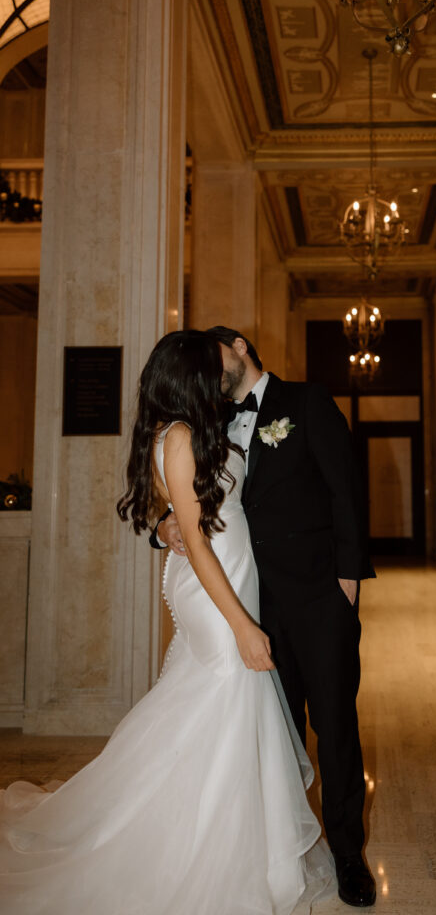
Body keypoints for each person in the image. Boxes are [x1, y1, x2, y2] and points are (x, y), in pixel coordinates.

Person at [0, 330, 334, 914]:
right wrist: (242, 627)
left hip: (226, 583)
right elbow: (200, 542)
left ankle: (236, 841)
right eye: (210, 368)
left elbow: (185, 519)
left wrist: (166, 528)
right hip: (216, 594)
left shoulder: (189, 430)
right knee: (226, 701)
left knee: (208, 712)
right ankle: (210, 852)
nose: (219, 375)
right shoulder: (179, 436)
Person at [154, 327, 377, 908]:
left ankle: (349, 854)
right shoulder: (205, 420)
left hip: (317, 598)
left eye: (216, 353)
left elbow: (345, 491)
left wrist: (347, 582)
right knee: (271, 731)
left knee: (334, 725)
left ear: (241, 345)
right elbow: (182, 501)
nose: (211, 366)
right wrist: (162, 528)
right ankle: (277, 844)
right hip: (249, 603)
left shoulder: (304, 402)